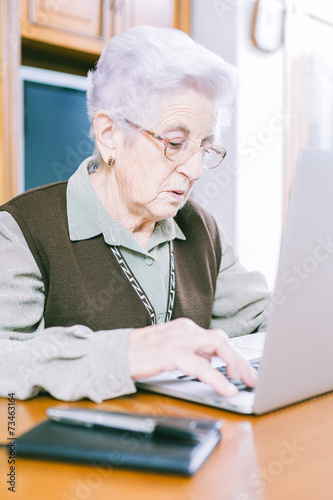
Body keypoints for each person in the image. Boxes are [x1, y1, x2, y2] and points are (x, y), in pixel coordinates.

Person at [0, 26, 270, 403]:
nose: (193, 171)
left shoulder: (200, 228)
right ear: (109, 134)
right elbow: (5, 355)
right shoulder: (22, 230)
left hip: (191, 443)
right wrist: (126, 353)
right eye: (175, 143)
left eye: (204, 147)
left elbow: (265, 317)